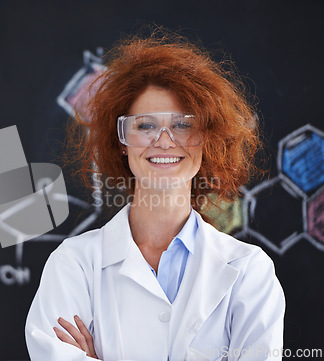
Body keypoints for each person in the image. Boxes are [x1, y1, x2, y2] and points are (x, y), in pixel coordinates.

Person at [25, 30, 285, 361]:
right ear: (121, 140)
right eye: (145, 126)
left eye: (183, 125)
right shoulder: (74, 265)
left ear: (208, 138)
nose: (163, 141)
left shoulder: (249, 272)